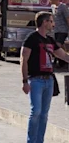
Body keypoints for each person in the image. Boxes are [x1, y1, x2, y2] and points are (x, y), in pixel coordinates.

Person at [23, 11, 69, 143]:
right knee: (36, 111)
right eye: (51, 21)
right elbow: (23, 59)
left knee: (44, 114)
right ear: (45, 22)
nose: (53, 24)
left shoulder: (50, 40)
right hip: (35, 80)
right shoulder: (31, 38)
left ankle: (39, 141)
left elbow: (63, 56)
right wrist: (25, 81)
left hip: (48, 80)